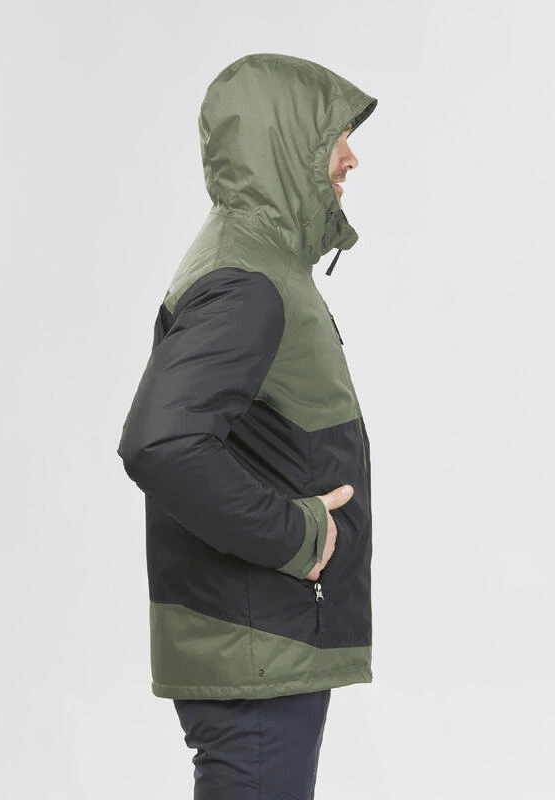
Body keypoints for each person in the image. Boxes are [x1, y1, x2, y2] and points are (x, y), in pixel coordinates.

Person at [116, 52, 377, 799]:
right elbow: (160, 444)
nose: (350, 157)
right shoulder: (248, 281)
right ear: (285, 141)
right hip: (257, 640)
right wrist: (299, 536)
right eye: (335, 136)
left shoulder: (259, 265)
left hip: (263, 638)